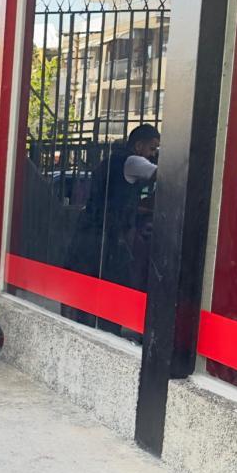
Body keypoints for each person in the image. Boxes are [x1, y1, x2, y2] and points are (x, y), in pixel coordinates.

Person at [65, 123, 159, 328]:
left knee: (89, 287)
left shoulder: (110, 162)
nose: (153, 155)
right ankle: (108, 329)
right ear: (138, 146)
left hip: (91, 231)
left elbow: (113, 200)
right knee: (115, 286)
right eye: (152, 148)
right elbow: (167, 175)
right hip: (110, 237)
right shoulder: (133, 161)